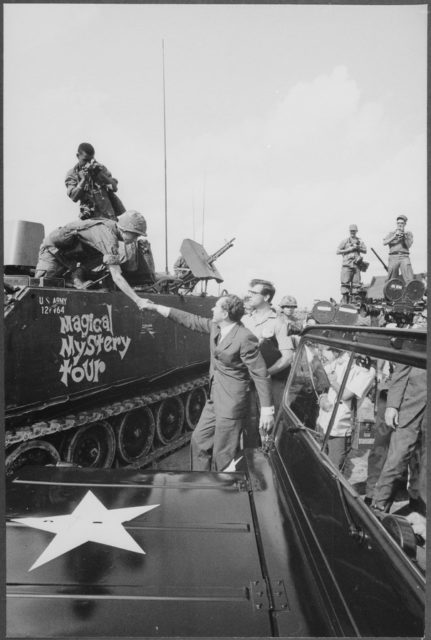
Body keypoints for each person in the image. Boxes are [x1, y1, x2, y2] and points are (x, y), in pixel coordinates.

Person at [140, 294, 274, 471]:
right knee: (199, 441)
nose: (212, 309)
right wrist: (156, 307)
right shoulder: (216, 327)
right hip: (214, 399)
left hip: (231, 403)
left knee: (223, 454)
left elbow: (260, 373)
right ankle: (201, 484)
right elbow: (189, 320)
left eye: (216, 307)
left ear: (225, 313)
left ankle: (223, 491)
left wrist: (267, 411)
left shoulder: (244, 338)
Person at [34, 210, 150, 312]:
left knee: (107, 260)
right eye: (135, 235)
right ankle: (74, 279)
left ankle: (75, 278)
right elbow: (116, 276)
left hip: (73, 257)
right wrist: (138, 300)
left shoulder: (112, 230)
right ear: (124, 229)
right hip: (53, 251)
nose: (136, 239)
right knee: (42, 292)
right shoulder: (108, 237)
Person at [372, 364, 426, 514]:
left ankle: (420, 515)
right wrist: (392, 406)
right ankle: (378, 510)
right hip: (411, 409)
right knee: (396, 461)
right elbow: (401, 370)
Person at [317, 349, 375, 469]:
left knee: (333, 470)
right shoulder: (344, 356)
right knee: (318, 461)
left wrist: (332, 381)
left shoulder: (368, 370)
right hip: (323, 421)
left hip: (340, 429)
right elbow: (320, 374)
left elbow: (346, 395)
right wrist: (322, 396)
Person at [243, 279, 295, 415]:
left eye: (254, 293)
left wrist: (265, 374)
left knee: (271, 426)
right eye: (250, 292)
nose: (250, 296)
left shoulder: (279, 322)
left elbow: (287, 358)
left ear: (266, 297)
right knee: (249, 425)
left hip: (273, 383)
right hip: (247, 382)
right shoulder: (244, 320)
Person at [65, 142, 125, 221]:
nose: (88, 163)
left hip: (108, 217)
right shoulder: (73, 174)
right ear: (78, 156)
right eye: (85, 160)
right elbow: (73, 197)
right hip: (90, 219)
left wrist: (100, 174)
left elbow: (114, 188)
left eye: (91, 160)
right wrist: (83, 180)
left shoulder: (100, 168)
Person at [336, 224, 367, 304]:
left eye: (354, 231)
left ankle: (354, 301)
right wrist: (349, 249)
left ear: (356, 231)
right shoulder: (345, 241)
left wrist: (358, 248)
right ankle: (345, 300)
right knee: (345, 283)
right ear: (349, 231)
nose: (353, 232)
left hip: (356, 265)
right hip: (347, 265)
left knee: (356, 285)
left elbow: (365, 250)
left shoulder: (360, 241)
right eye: (351, 231)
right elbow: (338, 251)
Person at [383, 215, 414, 282]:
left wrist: (404, 238)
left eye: (402, 223)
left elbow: (408, 245)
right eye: (398, 223)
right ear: (396, 224)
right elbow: (384, 243)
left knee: (409, 277)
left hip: (404, 256)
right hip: (393, 257)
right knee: (391, 278)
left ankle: (410, 291)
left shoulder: (408, 234)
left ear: (405, 224)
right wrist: (394, 236)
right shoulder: (391, 233)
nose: (400, 225)